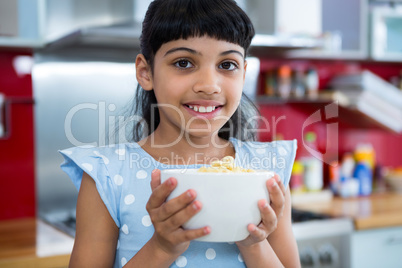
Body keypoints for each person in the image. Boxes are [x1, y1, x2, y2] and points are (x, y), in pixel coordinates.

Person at [60, 0, 301, 267]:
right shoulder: (107, 175)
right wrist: (162, 248)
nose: (209, 86)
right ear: (145, 72)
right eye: (184, 62)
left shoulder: (267, 171)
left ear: (243, 74)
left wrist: (254, 243)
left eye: (227, 65)